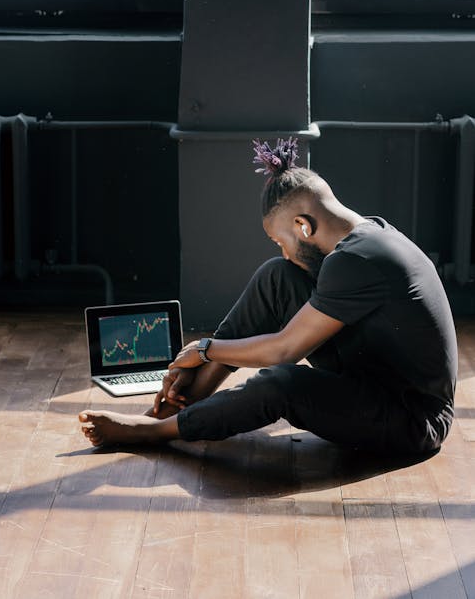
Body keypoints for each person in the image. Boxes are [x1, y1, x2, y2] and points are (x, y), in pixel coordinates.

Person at [79, 138, 457, 454]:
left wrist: (205, 349)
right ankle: (186, 400)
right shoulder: (366, 235)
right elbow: (284, 299)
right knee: (276, 278)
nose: (285, 252)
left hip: (412, 420)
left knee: (281, 382)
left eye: (281, 241)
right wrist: (201, 360)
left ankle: (153, 433)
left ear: (303, 226)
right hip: (375, 377)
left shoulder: (357, 259)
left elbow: (283, 351)